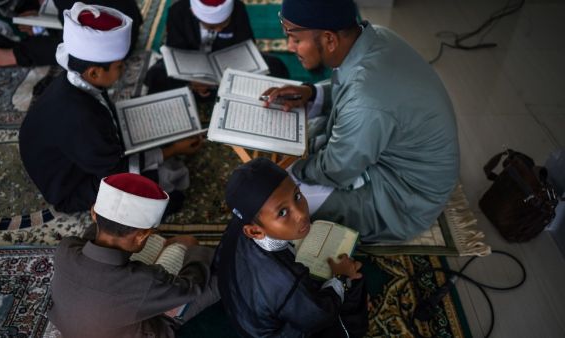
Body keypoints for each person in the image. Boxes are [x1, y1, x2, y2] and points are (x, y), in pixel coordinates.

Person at [261, 0, 460, 241]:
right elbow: (350, 86)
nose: (291, 47)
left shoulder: (366, 100)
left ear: (329, 40)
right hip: (399, 160)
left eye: (295, 39)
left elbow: (335, 170)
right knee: (312, 128)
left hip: (403, 200)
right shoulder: (376, 37)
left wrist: (288, 173)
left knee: (275, 207)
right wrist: (313, 93)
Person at [19, 2, 202, 213]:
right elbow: (116, 170)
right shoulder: (81, 117)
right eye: (119, 66)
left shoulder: (76, 80)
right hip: (72, 188)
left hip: (82, 155)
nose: (123, 70)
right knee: (169, 194)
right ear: (95, 72)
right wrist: (173, 150)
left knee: (151, 147)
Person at [49, 172, 219, 337]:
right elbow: (191, 288)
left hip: (75, 328)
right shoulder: (146, 280)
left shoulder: (66, 248)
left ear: (93, 212)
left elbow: (90, 238)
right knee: (215, 282)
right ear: (142, 235)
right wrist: (195, 248)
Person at [214, 158, 368, 337]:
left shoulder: (238, 224)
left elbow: (219, 261)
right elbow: (319, 316)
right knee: (354, 284)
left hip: (241, 308)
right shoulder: (287, 280)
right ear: (255, 232)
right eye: (282, 212)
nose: (302, 214)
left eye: (297, 196)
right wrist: (341, 277)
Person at [143, 0, 289, 97]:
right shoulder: (178, 12)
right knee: (157, 74)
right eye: (212, 26)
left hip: (228, 66)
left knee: (275, 66)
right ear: (194, 13)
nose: (219, 29)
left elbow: (246, 46)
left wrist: (224, 74)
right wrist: (193, 80)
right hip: (192, 68)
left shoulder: (237, 8)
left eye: (224, 24)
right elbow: (176, 51)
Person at [0, 0, 142, 67]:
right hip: (126, 23)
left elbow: (71, 47)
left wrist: (16, 55)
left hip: (116, 41)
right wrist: (40, 22)